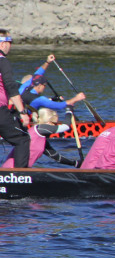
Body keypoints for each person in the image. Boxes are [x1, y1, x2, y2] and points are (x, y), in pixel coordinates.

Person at [1, 108, 80, 168]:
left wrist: (75, 163)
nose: (55, 126)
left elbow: (56, 156)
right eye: (54, 123)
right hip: (12, 170)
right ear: (48, 122)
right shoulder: (40, 128)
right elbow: (65, 127)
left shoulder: (41, 138)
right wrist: (69, 111)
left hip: (22, 171)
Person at [0, 30, 31, 167]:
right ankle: (20, 178)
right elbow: (11, 87)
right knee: (23, 139)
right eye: (9, 43)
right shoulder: (2, 61)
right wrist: (23, 113)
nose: (10, 47)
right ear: (2, 44)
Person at [20, 74, 85, 113]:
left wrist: (47, 62)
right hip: (27, 122)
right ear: (39, 85)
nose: (45, 87)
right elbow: (58, 106)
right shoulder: (39, 99)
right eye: (44, 85)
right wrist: (76, 98)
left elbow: (37, 73)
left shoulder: (22, 88)